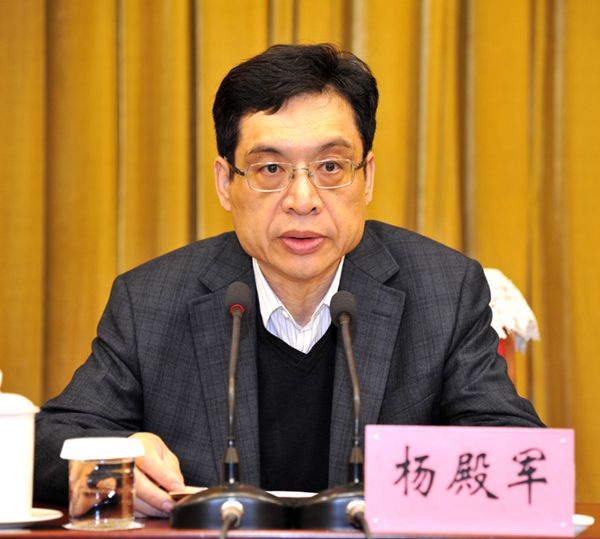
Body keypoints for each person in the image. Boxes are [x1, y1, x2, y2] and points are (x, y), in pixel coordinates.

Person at [34, 43, 543, 517]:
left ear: (367, 177)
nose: (303, 200)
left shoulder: (443, 291)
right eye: (271, 169)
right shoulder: (151, 300)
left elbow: (518, 454)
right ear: (225, 183)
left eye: (331, 166)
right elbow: (48, 443)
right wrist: (116, 460)